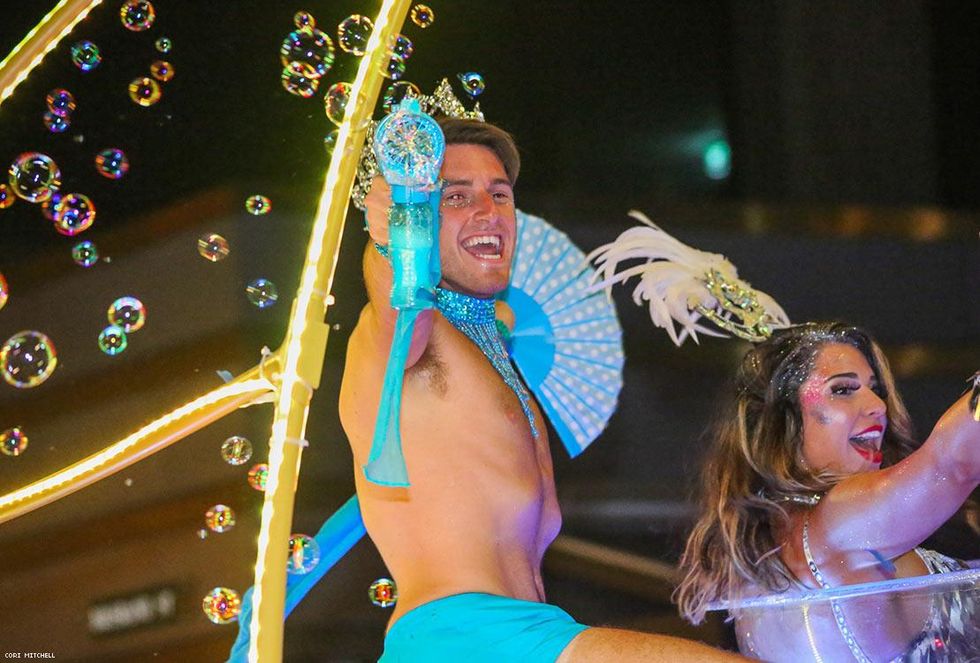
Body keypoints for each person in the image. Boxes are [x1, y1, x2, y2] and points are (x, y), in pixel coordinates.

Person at [339, 117, 747, 662]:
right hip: (461, 638)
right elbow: (398, 298)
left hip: (530, 630)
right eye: (455, 196)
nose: (488, 211)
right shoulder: (402, 335)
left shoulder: (496, 359)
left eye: (500, 195)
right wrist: (396, 235)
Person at [674, 322, 979, 661]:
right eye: (843, 389)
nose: (878, 405)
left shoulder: (775, 543)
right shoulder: (836, 526)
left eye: (874, 388)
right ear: (783, 419)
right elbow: (953, 466)